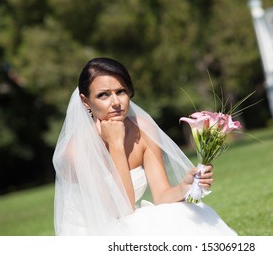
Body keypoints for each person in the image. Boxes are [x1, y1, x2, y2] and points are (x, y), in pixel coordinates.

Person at [53, 57, 237, 235]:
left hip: (128, 222)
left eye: (121, 91)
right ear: (86, 101)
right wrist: (116, 144)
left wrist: (185, 186)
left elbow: (162, 195)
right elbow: (120, 212)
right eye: (103, 95)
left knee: (185, 213)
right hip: (95, 232)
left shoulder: (142, 129)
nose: (116, 102)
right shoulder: (76, 150)